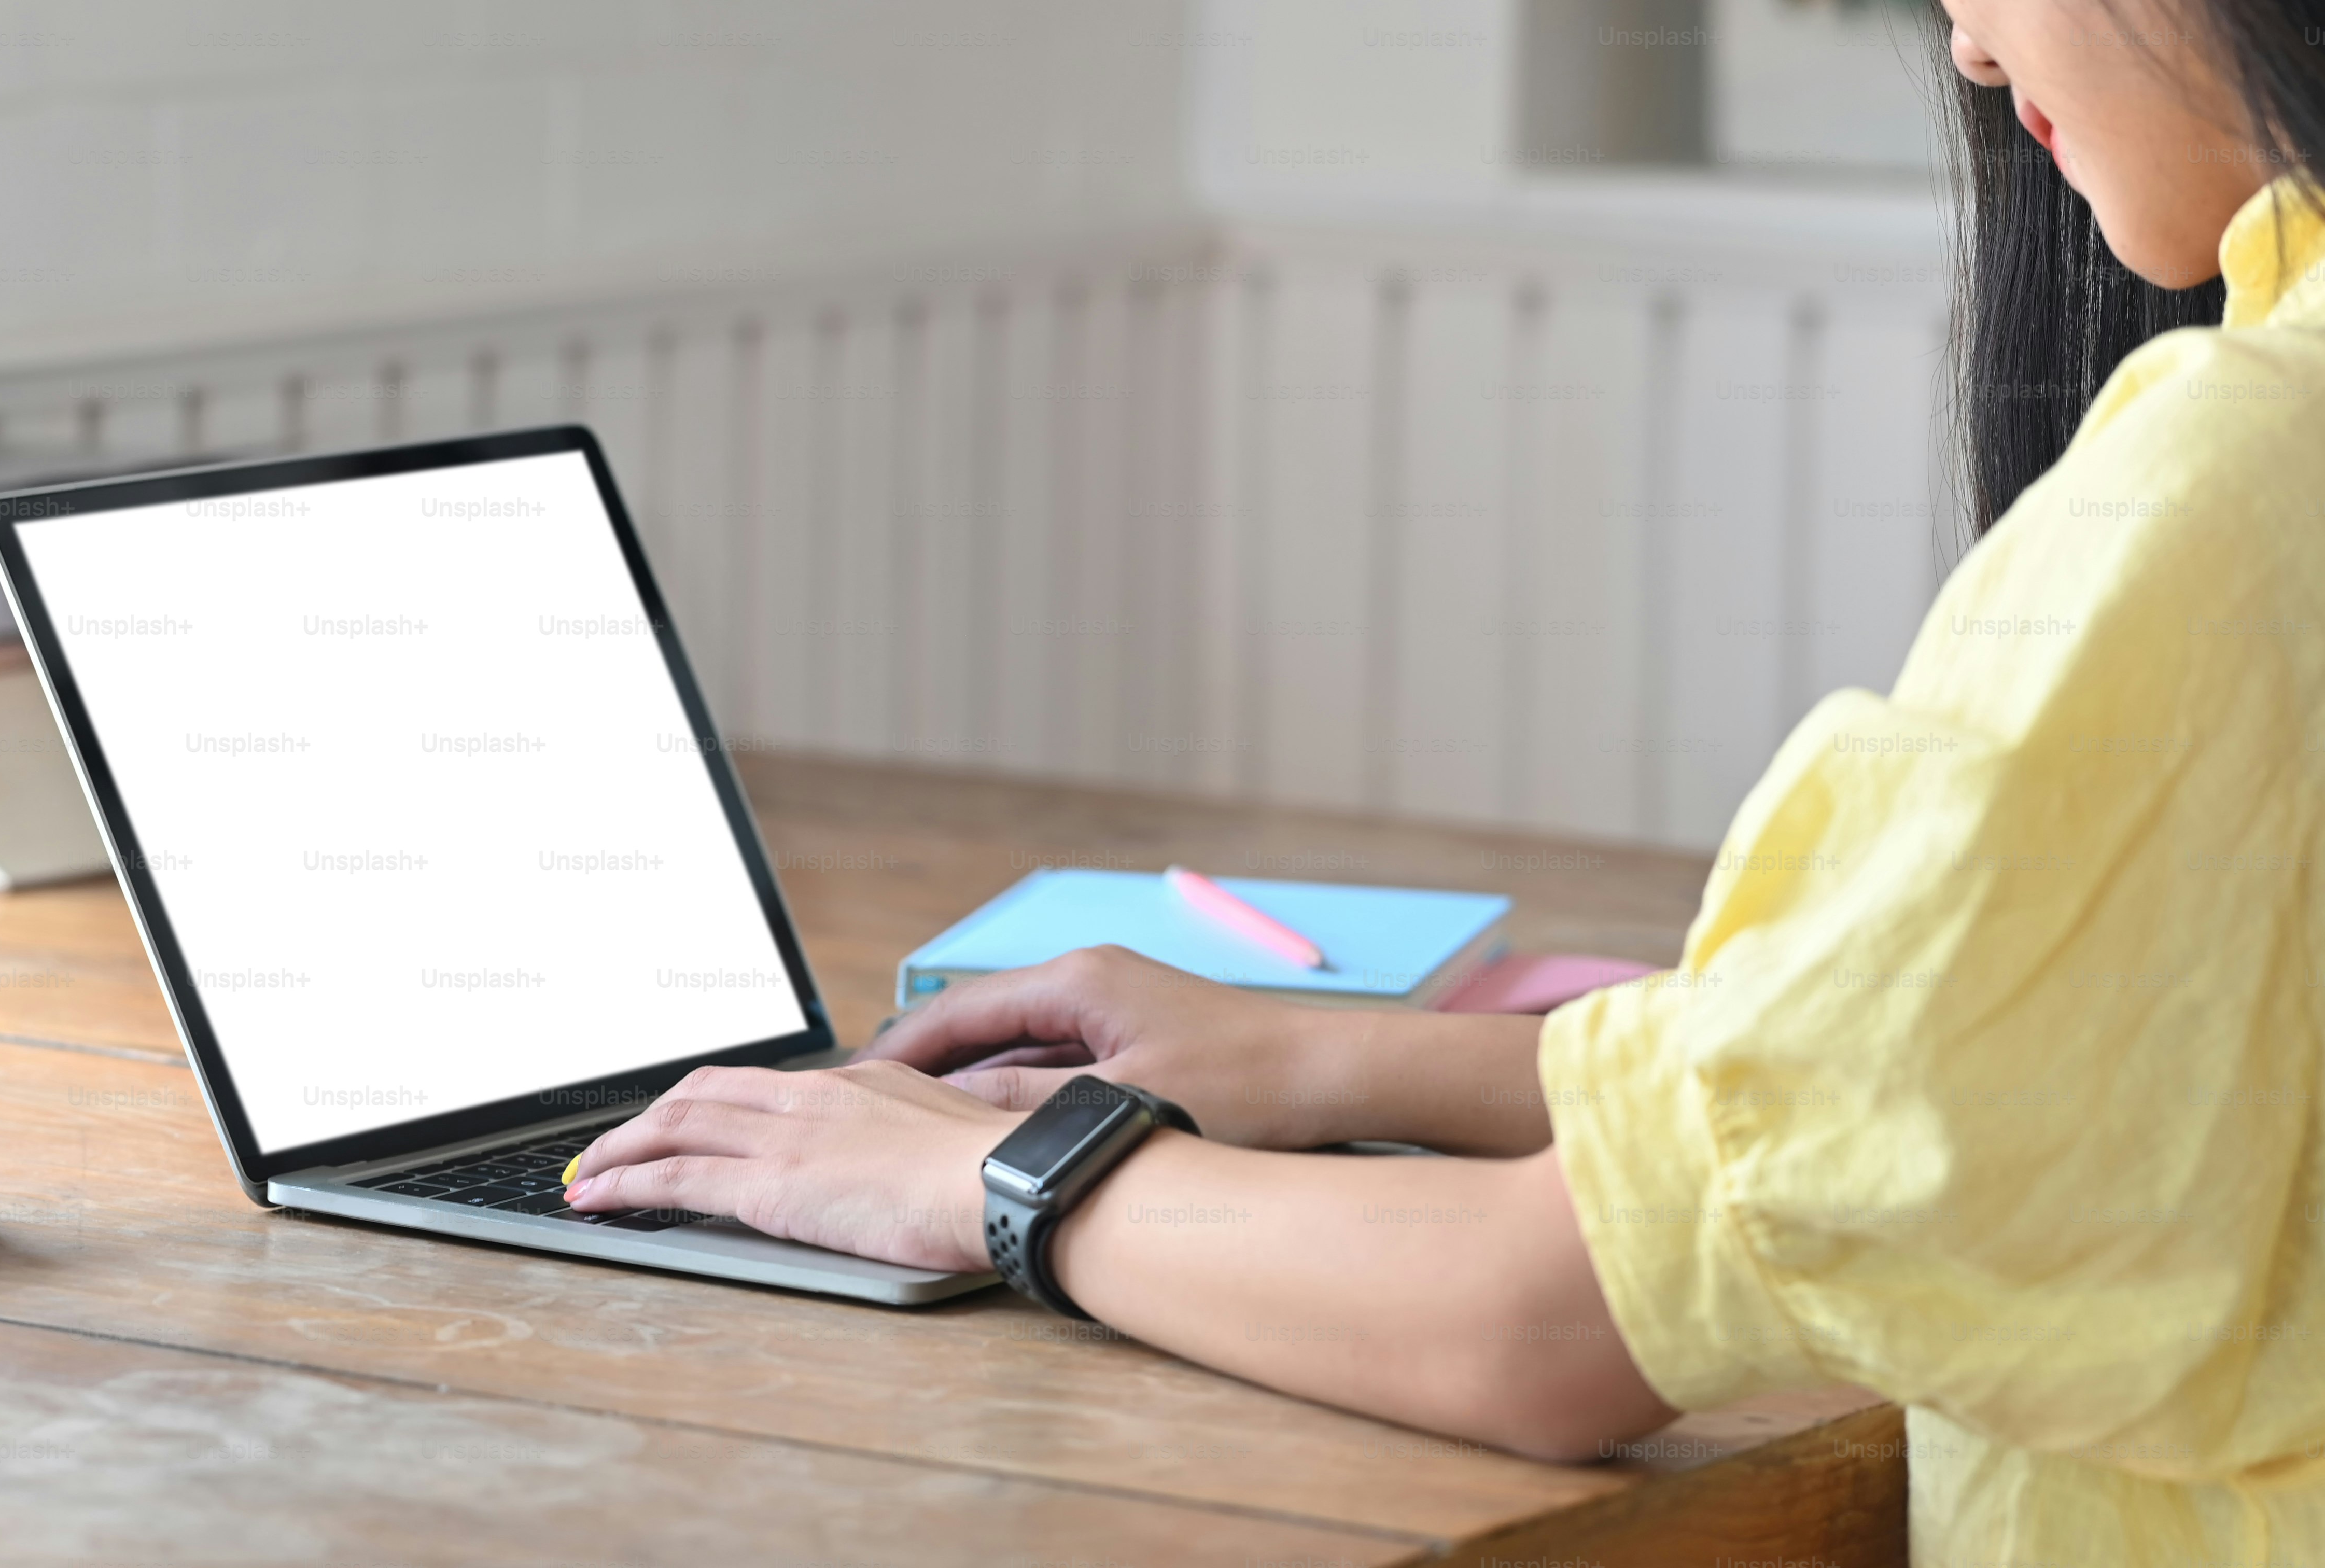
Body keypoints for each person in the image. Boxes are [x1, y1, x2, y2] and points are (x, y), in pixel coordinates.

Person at [565, 1, 2325, 1560]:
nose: (1968, 42)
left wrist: (995, 1181)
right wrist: (1331, 1055)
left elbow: (1548, 1324)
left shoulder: (2247, 465)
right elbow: (2043, 1090)